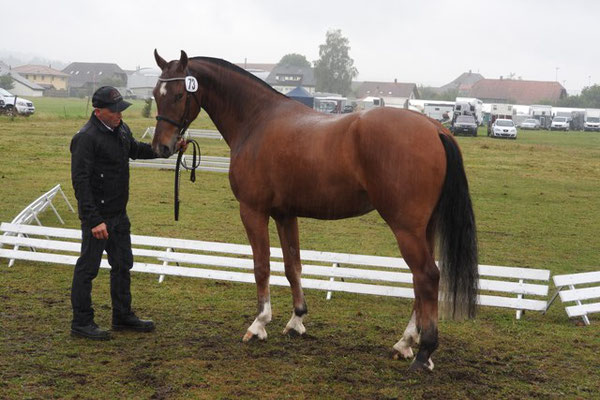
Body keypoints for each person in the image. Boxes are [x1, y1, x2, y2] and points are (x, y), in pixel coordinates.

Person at [70, 86, 185, 340]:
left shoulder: (120, 129)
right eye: (114, 111)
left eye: (120, 109)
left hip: (119, 214)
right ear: (98, 112)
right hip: (98, 217)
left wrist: (170, 149)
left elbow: (135, 149)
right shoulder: (86, 138)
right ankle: (81, 322)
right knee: (87, 269)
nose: (119, 114)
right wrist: (94, 220)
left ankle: (122, 316)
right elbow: (80, 183)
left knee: (123, 265)